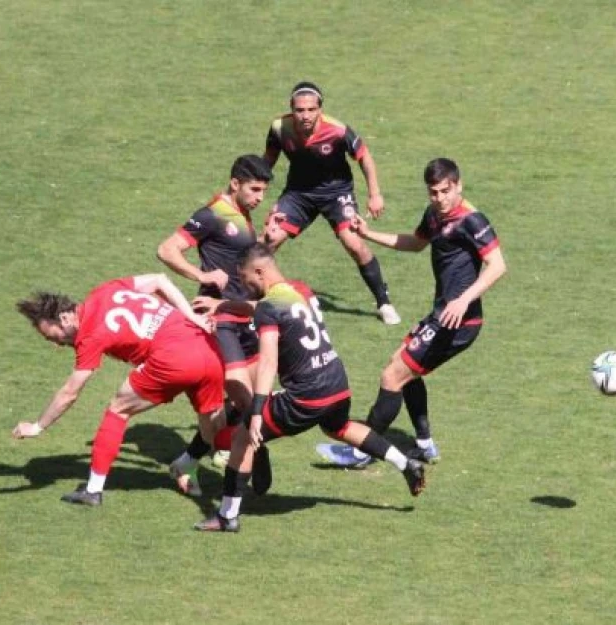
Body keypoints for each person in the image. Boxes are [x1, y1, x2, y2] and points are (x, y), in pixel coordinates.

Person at [194, 243, 426, 532]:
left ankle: (228, 516)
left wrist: (255, 411)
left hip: (307, 397)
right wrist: (225, 306)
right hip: (337, 383)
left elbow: (267, 362)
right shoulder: (299, 291)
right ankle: (406, 464)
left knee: (242, 436)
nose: (243, 286)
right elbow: (265, 308)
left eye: (244, 279)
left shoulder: (269, 308)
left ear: (259, 271)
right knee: (338, 428)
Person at [316, 158, 507, 467]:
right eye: (434, 192)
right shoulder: (434, 215)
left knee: (392, 376)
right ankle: (425, 444)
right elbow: (415, 243)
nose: (440, 199)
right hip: (442, 316)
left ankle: (361, 452)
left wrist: (464, 300)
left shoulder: (472, 220)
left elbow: (498, 265)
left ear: (458, 185)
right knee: (403, 367)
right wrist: (368, 234)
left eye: (446, 191)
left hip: (459, 321)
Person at [12, 273, 224, 506]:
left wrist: (37, 426)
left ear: (64, 318)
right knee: (211, 428)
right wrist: (191, 315)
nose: (56, 344)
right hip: (208, 346)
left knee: (118, 410)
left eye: (52, 336)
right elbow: (160, 280)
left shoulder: (89, 335)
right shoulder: (104, 291)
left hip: (172, 359)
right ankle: (191, 464)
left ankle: (93, 490)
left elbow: (69, 393)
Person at [157, 154, 273, 485]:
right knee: (243, 394)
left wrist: (265, 239)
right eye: (254, 189)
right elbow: (167, 250)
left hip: (242, 315)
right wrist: (202, 272)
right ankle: (205, 456)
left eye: (263, 191)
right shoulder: (211, 215)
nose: (259, 198)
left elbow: (242, 260)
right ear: (235, 183)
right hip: (221, 319)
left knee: (248, 393)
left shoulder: (242, 214)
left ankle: (203, 454)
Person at [261, 81, 401, 325]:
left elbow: (364, 157)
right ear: (292, 109)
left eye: (311, 109)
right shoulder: (279, 128)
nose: (305, 115)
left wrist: (375, 193)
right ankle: (253, 299)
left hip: (337, 193)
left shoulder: (337, 130)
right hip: (299, 194)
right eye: (300, 110)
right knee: (268, 242)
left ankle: (383, 302)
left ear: (320, 109)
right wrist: (258, 187)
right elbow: (268, 160)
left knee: (354, 243)